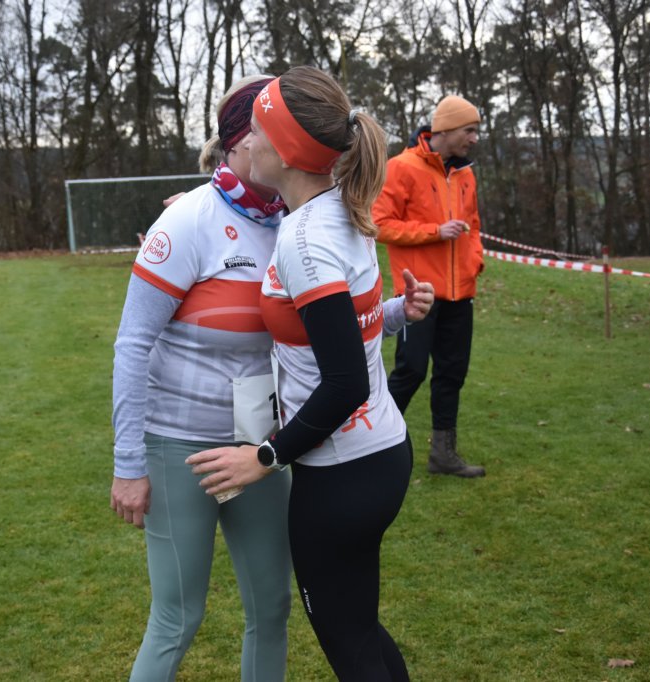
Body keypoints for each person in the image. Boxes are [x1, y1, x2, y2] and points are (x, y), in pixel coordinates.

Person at [185, 66, 427, 681]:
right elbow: (349, 328)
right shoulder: (340, 207)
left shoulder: (305, 241)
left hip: (341, 476)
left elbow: (344, 383)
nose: (246, 142)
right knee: (361, 631)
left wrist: (263, 458)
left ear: (287, 152)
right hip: (379, 456)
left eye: (256, 131)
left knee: (351, 647)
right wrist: (196, 215)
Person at [109, 75, 294, 682]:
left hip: (258, 446)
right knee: (177, 618)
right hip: (179, 446)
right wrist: (128, 464)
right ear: (241, 142)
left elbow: (325, 320)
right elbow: (132, 344)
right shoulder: (187, 220)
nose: (291, 147)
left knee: (272, 608)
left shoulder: (293, 218)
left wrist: (394, 314)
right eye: (277, 133)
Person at [371, 95, 487, 478]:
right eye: (469, 130)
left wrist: (475, 261)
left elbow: (473, 226)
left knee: (452, 374)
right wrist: (434, 231)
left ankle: (443, 456)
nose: (474, 138)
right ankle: (371, 446)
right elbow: (379, 224)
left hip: (461, 295)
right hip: (418, 295)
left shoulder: (466, 173)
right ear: (446, 129)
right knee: (411, 371)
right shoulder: (400, 167)